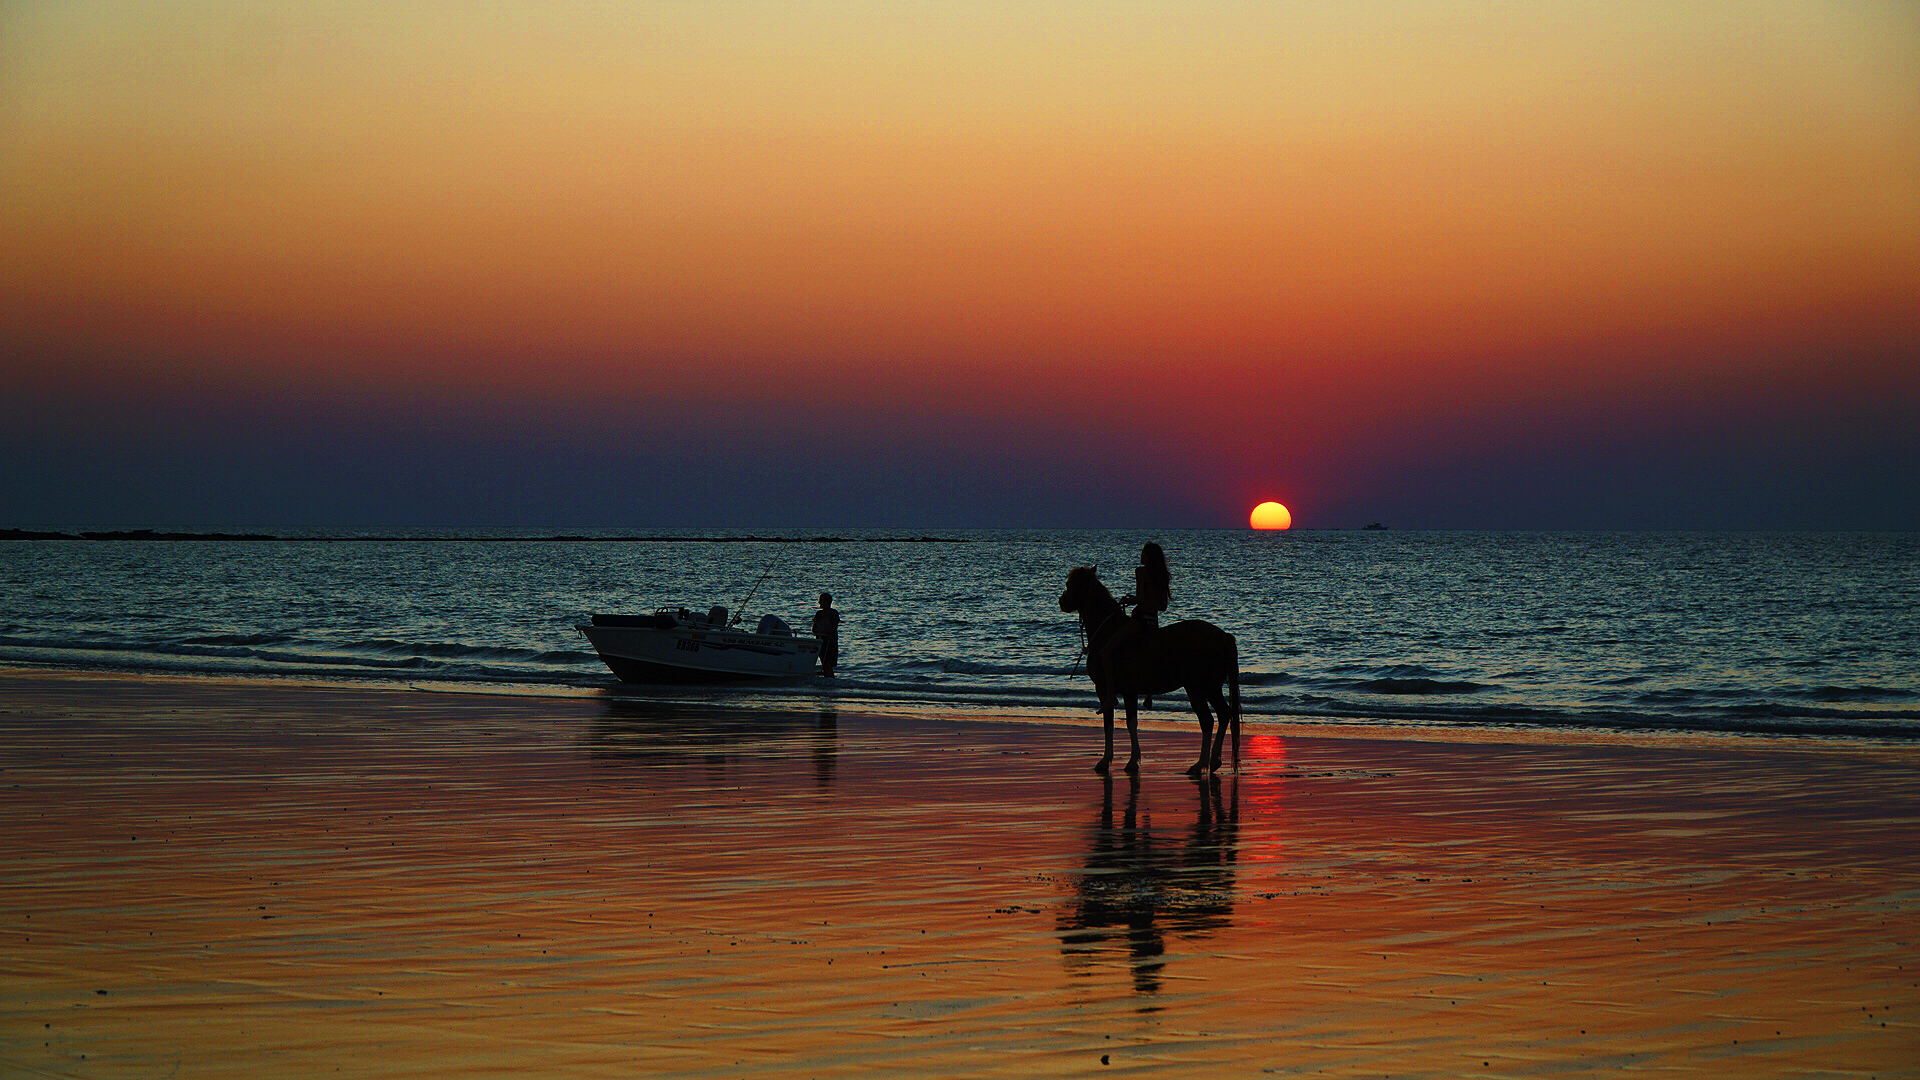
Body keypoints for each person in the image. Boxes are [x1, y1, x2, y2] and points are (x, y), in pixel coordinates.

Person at [1099, 543, 1171, 708]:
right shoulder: (1162, 575)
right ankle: (1149, 694)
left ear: (1148, 556)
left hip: (1140, 619)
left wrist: (1126, 600)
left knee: (1105, 652)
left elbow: (1139, 598)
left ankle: (1110, 696)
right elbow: (1163, 606)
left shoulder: (1141, 571)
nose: (1141, 555)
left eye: (1143, 553)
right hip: (1153, 621)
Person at [811, 592, 841, 678]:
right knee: (824, 664)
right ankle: (828, 680)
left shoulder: (833, 613)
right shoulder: (818, 614)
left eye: (821, 601)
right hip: (820, 641)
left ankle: (830, 680)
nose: (819, 602)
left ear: (827, 602)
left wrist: (824, 632)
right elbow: (814, 628)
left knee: (828, 664)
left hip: (830, 641)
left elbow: (834, 628)